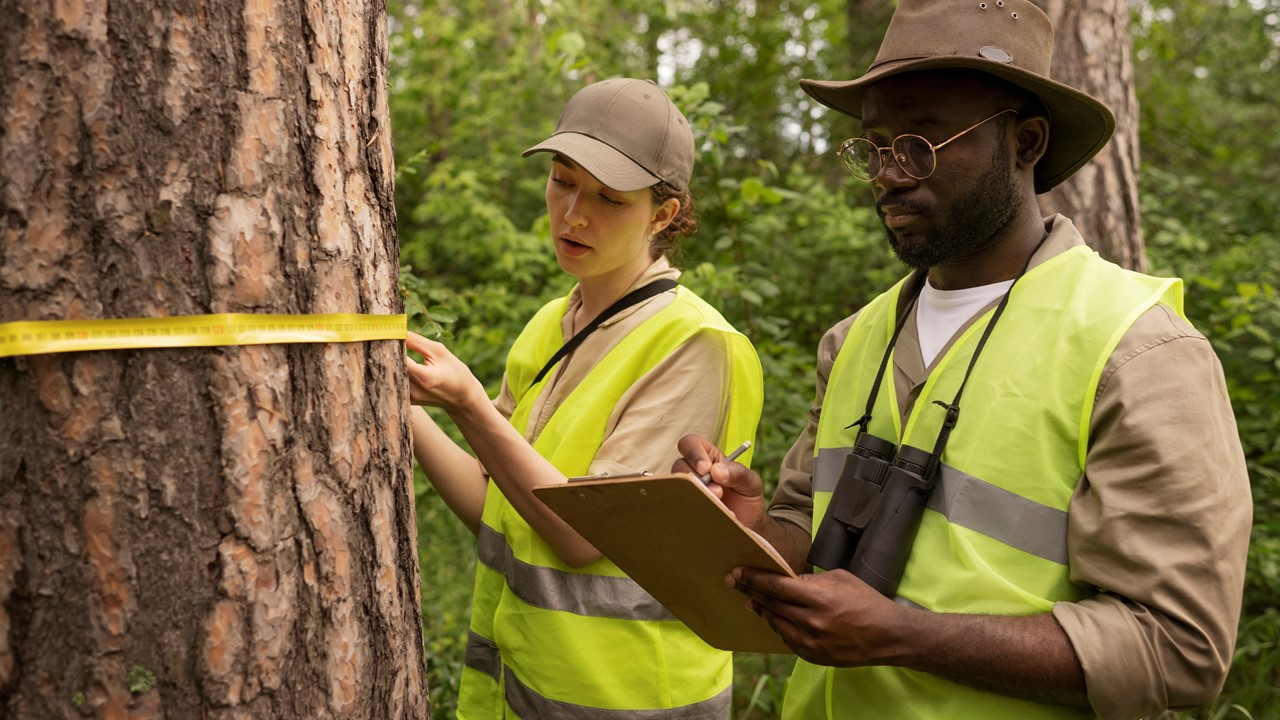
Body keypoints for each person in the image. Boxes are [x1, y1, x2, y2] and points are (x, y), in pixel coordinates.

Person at [675, 1, 1252, 718]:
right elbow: (804, 529)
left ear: (1026, 142)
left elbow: (1178, 648)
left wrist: (906, 637)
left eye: (921, 143)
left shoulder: (1137, 352)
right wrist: (750, 529)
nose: (889, 174)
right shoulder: (855, 340)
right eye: (874, 147)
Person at [406, 78, 763, 719]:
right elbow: (495, 506)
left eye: (609, 198)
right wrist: (398, 405)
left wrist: (467, 405)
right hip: (518, 691)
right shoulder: (550, 324)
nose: (573, 214)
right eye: (562, 181)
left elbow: (579, 539)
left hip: (631, 701)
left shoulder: (696, 345)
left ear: (663, 215)